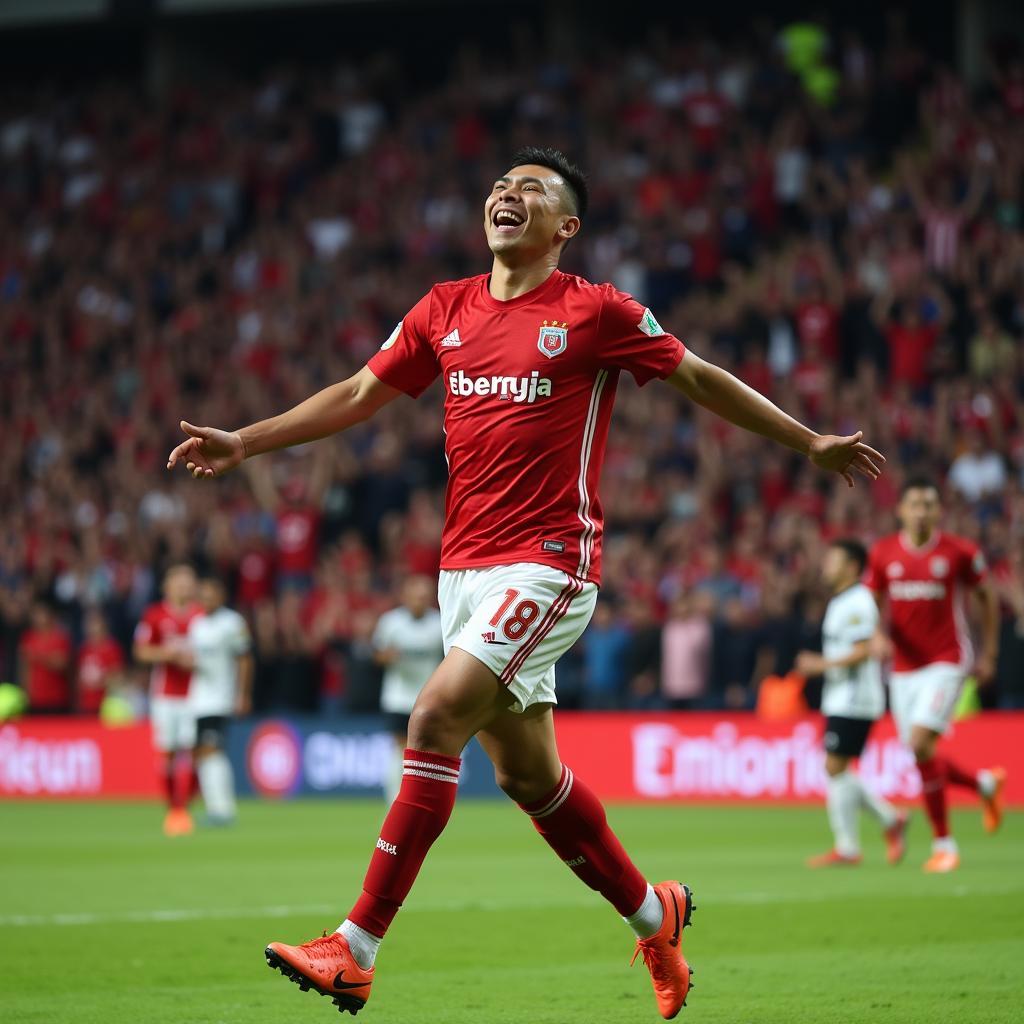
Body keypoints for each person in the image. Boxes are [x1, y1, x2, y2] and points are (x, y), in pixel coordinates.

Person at [167, 146, 884, 1020]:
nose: (507, 196)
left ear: (564, 227)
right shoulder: (445, 307)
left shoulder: (595, 311)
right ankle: (657, 917)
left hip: (551, 559)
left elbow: (696, 375)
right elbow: (360, 391)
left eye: (531, 191)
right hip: (462, 572)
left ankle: (354, 948)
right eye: (501, 187)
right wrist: (249, 439)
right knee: (529, 778)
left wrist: (807, 440)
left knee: (432, 718)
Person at [866, 477, 1005, 873]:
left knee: (920, 740)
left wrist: (991, 650)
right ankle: (986, 785)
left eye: (929, 505)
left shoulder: (959, 552)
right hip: (903, 669)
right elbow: (872, 601)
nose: (922, 512)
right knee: (920, 752)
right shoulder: (883, 553)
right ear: (901, 510)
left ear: (938, 511)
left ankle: (945, 844)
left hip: (947, 660)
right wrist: (877, 634)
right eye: (915, 504)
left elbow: (987, 596)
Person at [796, 539, 908, 868]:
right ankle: (889, 820)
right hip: (841, 695)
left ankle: (849, 847)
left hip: (856, 696)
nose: (826, 565)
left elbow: (865, 649)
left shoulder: (858, 601)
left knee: (834, 766)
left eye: (833, 559)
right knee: (837, 767)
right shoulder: (842, 600)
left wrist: (820, 665)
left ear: (852, 567)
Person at [133, 565, 202, 837]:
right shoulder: (154, 615)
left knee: (195, 752)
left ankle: (185, 806)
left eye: (189, 582)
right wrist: (168, 654)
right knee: (169, 753)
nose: (184, 587)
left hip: (198, 695)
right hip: (165, 695)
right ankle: (173, 808)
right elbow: (140, 652)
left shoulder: (202, 615)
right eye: (179, 583)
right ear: (167, 587)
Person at [186, 576, 253, 825]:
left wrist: (243, 694)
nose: (207, 599)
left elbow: (245, 659)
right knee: (202, 752)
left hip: (220, 698)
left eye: (211, 594)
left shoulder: (232, 623)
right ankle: (215, 807)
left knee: (213, 749)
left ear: (221, 596)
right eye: (203, 595)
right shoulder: (196, 623)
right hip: (198, 699)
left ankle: (223, 810)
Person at [372, 575, 444, 804]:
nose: (419, 600)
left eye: (424, 596)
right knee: (400, 749)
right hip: (398, 697)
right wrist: (387, 657)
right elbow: (377, 655)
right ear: (405, 597)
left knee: (427, 752)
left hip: (427, 698)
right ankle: (395, 801)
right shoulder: (391, 622)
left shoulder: (439, 623)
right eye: (415, 596)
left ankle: (422, 800)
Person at [18, 599, 72, 714]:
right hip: (35, 699)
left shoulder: (60, 638)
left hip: (57, 698)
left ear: (50, 615)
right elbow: (25, 667)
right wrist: (25, 691)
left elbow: (62, 664)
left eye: (41, 614)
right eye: (35, 614)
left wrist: (38, 657)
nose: (38, 618)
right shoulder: (28, 637)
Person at [76, 608, 126, 715]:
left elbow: (118, 676)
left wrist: (98, 682)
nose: (91, 627)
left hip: (106, 705)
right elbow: (79, 676)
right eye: (89, 623)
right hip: (86, 704)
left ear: (104, 624)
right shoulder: (84, 649)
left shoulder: (112, 648)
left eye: (95, 622)